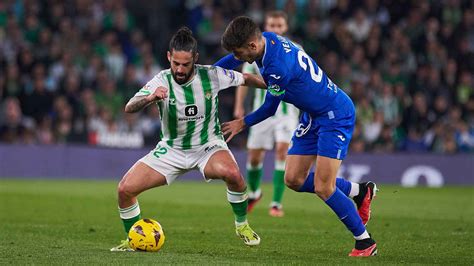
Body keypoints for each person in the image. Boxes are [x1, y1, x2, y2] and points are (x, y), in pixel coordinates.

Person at [215, 16, 378, 257]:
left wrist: (242, 123)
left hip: (335, 115)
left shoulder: (276, 67)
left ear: (252, 46)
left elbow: (270, 108)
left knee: (324, 187)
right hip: (313, 115)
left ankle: (365, 242)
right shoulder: (267, 39)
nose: (238, 59)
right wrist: (209, 71)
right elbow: (231, 59)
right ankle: (359, 191)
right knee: (293, 179)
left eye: (240, 53)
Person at [110, 27, 265, 251]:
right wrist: (150, 98)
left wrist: (278, 86)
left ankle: (242, 225)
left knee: (233, 174)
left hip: (208, 146)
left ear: (195, 59)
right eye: (176, 63)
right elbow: (129, 107)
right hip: (171, 150)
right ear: (168, 57)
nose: (180, 69)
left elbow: (246, 78)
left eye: (185, 64)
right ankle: (134, 239)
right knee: (125, 190)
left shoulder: (211, 75)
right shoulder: (160, 80)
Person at [233, 11, 300, 217]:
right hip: (261, 109)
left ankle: (276, 203)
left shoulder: (295, 49)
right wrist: (239, 106)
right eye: (272, 25)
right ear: (266, 26)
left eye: (280, 26)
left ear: (285, 28)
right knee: (254, 157)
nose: (276, 29)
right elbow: (245, 78)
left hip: (287, 112)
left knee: (282, 150)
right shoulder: (255, 49)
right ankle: (254, 193)